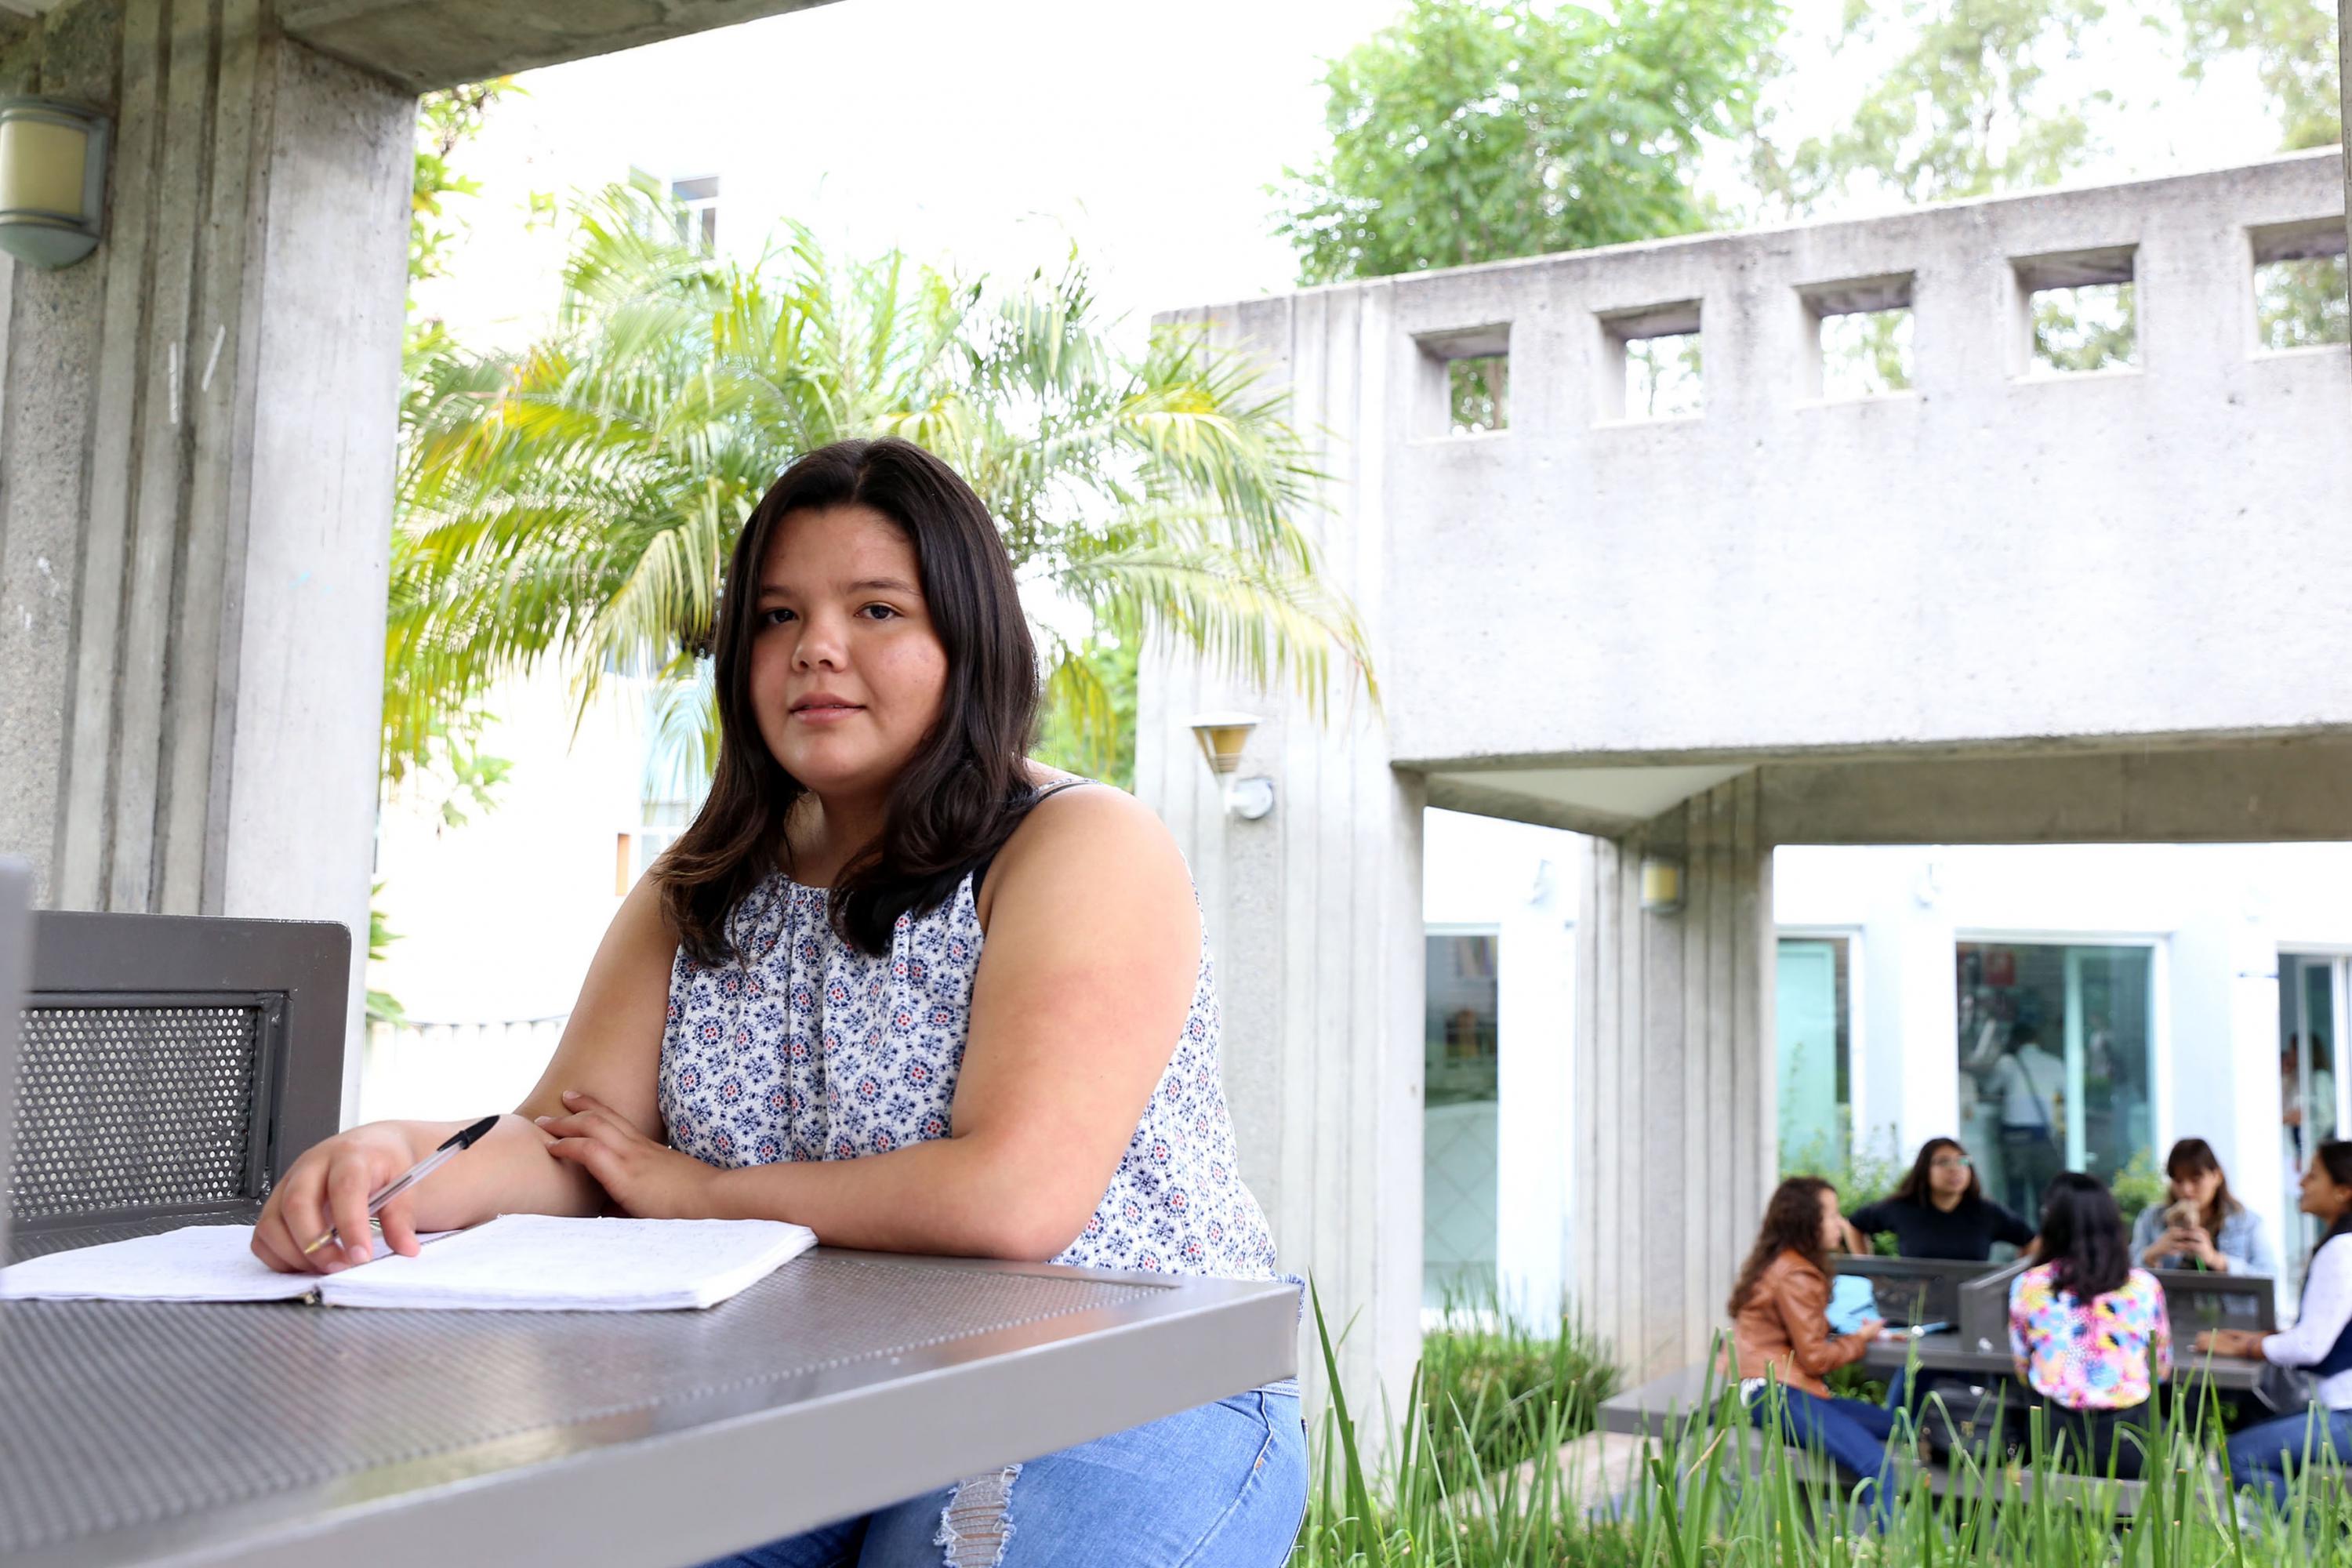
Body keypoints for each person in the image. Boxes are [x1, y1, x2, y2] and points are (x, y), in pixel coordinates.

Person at [247, 438, 1308, 1567]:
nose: (817, 651)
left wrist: (704, 1193)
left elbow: (1014, 1197)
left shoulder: (1078, 845)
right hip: (794, 1397)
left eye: (878, 610)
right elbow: (576, 1148)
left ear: (968, 639)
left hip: (1111, 1382)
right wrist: (401, 1161)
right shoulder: (696, 885)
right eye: (776, 617)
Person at [1726, 1176, 1900, 1526]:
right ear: (1807, 1221)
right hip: (1777, 1393)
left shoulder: (1779, 1262)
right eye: (1832, 1215)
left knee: (1899, 1425)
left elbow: (1800, 1331)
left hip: (1780, 1390)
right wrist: (1861, 1340)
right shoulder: (1796, 1274)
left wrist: (1860, 1334)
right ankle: (1888, 1555)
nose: (1840, 1224)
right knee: (1877, 1468)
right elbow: (1816, 1357)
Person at [2201, 1140, 2352, 1508]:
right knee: (2257, 1428)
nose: (2301, 1183)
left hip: (2346, 1413)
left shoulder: (2340, 1250)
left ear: (2344, 1190)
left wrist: (2244, 1347)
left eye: (2313, 1175)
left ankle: (2324, 1545)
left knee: (2236, 1456)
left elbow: (2309, 1346)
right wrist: (2262, 1338)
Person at [2007, 1173, 2171, 1480]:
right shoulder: (2145, 1287)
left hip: (2054, 1438)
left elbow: (2023, 1367)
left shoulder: (2028, 1286)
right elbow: (2161, 1369)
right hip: (2132, 1439)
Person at [1847, 1138, 2036, 1262]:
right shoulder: (1902, 1208)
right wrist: (1871, 1274)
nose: (1955, 1169)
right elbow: (1854, 1225)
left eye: (1962, 1161)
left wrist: (2014, 1280)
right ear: (1924, 1169)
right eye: (1943, 1162)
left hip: (1974, 1308)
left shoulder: (1986, 1212)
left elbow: (2033, 1241)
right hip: (1914, 1309)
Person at [2130, 1138, 2278, 1276]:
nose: (2187, 1189)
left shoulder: (2247, 1222)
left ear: (2217, 1176)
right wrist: (2151, 1254)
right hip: (2170, 1303)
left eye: (2196, 1179)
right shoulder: (2152, 1219)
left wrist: (2216, 1260)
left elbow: (2269, 1277)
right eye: (2178, 1181)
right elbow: (2124, 1275)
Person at [1988, 1023, 2067, 1216]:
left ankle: (2020, 1238)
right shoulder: (2054, 1063)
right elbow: (2068, 1094)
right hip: (2044, 1133)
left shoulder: (2007, 1063)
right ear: (2037, 1040)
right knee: (2044, 1188)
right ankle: (2045, 1236)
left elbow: (1990, 1089)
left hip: (2015, 1135)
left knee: (2016, 1188)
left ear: (2014, 1042)